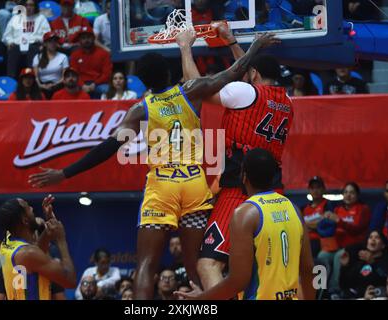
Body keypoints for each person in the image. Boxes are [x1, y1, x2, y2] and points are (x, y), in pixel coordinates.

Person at [28, 30, 278, 299]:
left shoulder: (141, 109)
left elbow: (109, 148)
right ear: (170, 76)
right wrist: (254, 48)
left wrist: (64, 173)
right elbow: (232, 73)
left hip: (163, 185)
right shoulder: (191, 92)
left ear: (144, 81)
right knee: (196, 265)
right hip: (194, 183)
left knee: (147, 264)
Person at [177, 23, 291, 291]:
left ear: (253, 74)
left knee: (209, 264)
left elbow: (195, 87)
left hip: (240, 191)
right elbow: (247, 74)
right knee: (250, 267)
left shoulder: (245, 92)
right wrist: (231, 41)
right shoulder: (287, 100)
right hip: (274, 193)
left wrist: (185, 48)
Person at [174, 148, 315, 300]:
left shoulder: (245, 214)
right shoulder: (294, 209)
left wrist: (203, 298)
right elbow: (308, 270)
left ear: (244, 176)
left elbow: (237, 281)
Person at [0, 194, 77, 300]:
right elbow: (70, 281)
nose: (32, 208)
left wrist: (48, 229)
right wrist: (61, 240)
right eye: (28, 208)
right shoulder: (28, 254)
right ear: (25, 221)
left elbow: (37, 251)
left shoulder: (8, 240)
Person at [317, 182, 372, 296]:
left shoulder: (363, 209)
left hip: (354, 247)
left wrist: (339, 221)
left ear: (357, 195)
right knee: (321, 257)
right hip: (335, 246)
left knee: (339, 256)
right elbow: (328, 230)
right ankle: (318, 290)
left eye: (352, 192)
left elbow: (357, 229)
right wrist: (325, 219)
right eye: (346, 192)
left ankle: (334, 290)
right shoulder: (337, 209)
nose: (348, 195)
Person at [2, 0, 51, 78]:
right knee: (12, 51)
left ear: (35, 7)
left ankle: (32, 79)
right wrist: (9, 42)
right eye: (26, 5)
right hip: (17, 45)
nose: (28, 7)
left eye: (31, 5)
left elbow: (47, 35)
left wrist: (41, 41)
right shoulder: (15, 18)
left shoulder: (41, 18)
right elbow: (6, 36)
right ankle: (10, 80)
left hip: (34, 44)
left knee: (33, 49)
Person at [339, 230, 388, 299]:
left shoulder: (387, 261)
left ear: (383, 245)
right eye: (370, 237)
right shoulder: (361, 261)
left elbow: (385, 279)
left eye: (377, 237)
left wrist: (373, 263)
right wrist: (344, 267)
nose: (373, 239)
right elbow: (344, 284)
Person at [69, 26, 112, 99]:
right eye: (83, 38)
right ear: (80, 40)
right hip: (80, 84)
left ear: (93, 38)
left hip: (99, 83)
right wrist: (82, 85)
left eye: (88, 37)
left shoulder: (104, 54)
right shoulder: (74, 55)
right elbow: (74, 74)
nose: (86, 40)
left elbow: (107, 74)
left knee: (107, 89)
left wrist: (95, 84)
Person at [301, 176, 335, 257]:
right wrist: (316, 223)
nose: (315, 190)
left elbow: (325, 225)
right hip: (305, 240)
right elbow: (299, 225)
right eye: (312, 188)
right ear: (309, 190)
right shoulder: (303, 208)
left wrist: (306, 224)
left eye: (318, 187)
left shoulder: (329, 205)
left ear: (323, 189)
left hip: (321, 241)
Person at [33, 31, 69, 99]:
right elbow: (36, 77)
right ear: (45, 44)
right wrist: (41, 86)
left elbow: (64, 77)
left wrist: (54, 85)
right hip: (42, 85)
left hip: (58, 85)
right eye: (50, 41)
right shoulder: (37, 57)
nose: (53, 44)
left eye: (55, 41)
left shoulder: (63, 57)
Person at [370, 179, 388, 255]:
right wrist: (374, 240)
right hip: (380, 243)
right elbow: (373, 227)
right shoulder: (379, 207)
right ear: (384, 193)